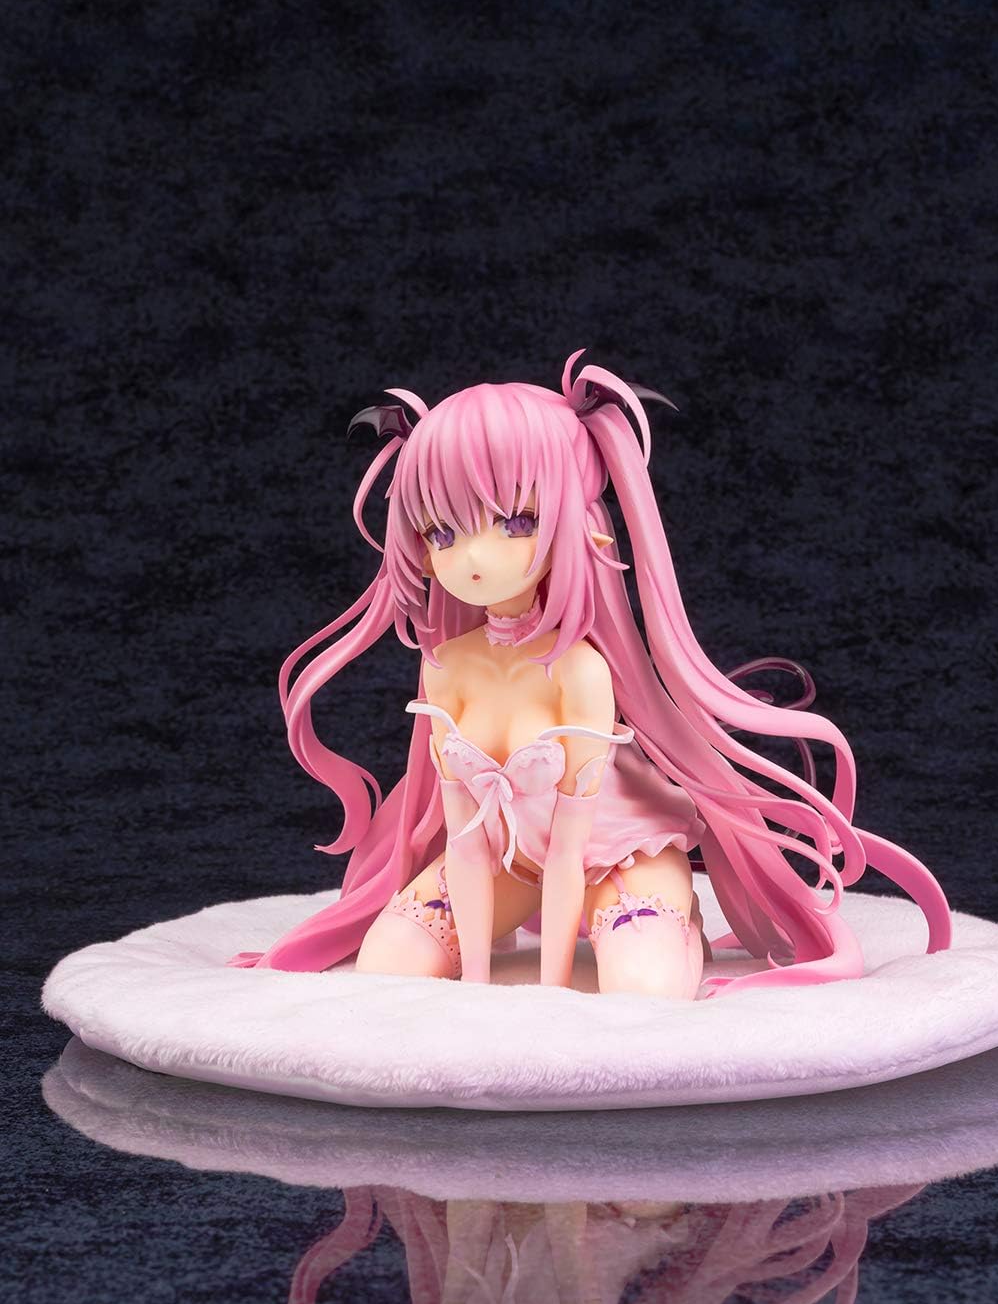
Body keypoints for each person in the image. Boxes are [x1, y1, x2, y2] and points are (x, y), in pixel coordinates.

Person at [228, 350, 950, 996]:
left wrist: (550, 995)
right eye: (441, 531)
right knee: (387, 964)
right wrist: (474, 983)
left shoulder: (578, 669)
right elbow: (466, 839)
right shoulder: (447, 663)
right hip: (511, 862)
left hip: (614, 856)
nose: (472, 558)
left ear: (573, 519)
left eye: (516, 521)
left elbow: (573, 846)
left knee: (643, 990)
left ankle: (675, 921)